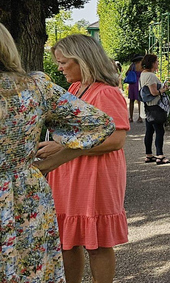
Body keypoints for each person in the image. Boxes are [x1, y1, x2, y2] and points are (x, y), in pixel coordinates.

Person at [0, 23, 115, 283]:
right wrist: (48, 163)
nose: (60, 67)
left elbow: (108, 130)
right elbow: (99, 125)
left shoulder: (93, 90)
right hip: (24, 191)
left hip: (33, 186)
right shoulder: (36, 88)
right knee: (31, 269)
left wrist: (55, 157)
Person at [41, 34, 130, 283]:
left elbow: (116, 140)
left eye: (63, 62)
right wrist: (57, 144)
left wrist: (61, 148)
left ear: (83, 60)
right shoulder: (75, 88)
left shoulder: (105, 93)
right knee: (67, 241)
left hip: (95, 175)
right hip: (70, 172)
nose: (59, 67)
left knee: (97, 243)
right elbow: (71, 135)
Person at [139, 54, 170, 165]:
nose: (158, 63)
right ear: (152, 63)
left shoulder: (143, 75)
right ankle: (160, 155)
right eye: (156, 61)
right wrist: (163, 90)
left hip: (148, 107)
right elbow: (154, 92)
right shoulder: (151, 76)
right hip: (155, 106)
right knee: (159, 130)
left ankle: (149, 154)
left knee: (149, 131)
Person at [126, 54, 143, 123]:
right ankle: (140, 117)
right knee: (139, 101)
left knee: (131, 101)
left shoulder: (132, 66)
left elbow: (127, 73)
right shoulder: (142, 66)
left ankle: (131, 117)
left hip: (132, 83)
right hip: (139, 82)